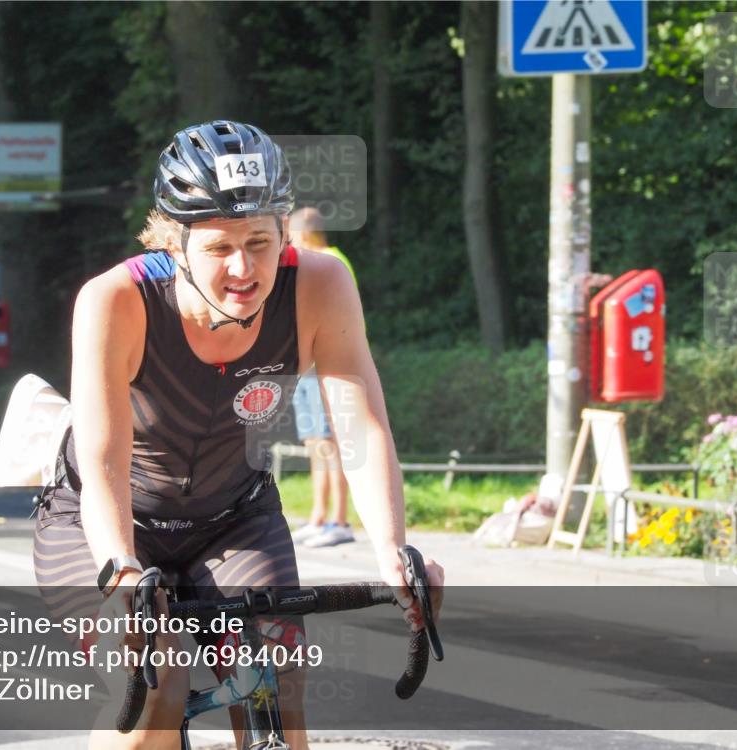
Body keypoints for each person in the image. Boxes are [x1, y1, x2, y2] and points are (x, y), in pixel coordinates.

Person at [32, 120, 444, 750]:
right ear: (174, 242)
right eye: (218, 247)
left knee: (275, 685)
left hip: (233, 517)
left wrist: (392, 551)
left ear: (285, 231)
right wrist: (121, 576)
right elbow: (105, 461)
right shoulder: (115, 301)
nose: (243, 268)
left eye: (259, 241)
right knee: (155, 690)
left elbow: (359, 421)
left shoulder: (321, 283)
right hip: (108, 518)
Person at [288, 207, 357, 548]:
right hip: (308, 366)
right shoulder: (314, 263)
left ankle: (339, 520)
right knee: (316, 443)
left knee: (331, 444)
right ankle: (319, 516)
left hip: (328, 365)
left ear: (301, 235)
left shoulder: (330, 263)